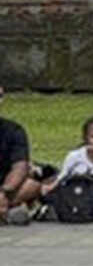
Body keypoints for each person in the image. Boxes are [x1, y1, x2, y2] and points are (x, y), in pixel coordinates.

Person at [43, 116, 93, 219]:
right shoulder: (74, 156)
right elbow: (62, 178)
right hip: (75, 192)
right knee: (48, 194)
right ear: (86, 139)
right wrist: (49, 188)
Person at [0, 89, 37, 226]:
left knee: (32, 186)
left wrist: (4, 192)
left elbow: (20, 166)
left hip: (6, 187)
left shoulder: (14, 130)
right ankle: (8, 212)